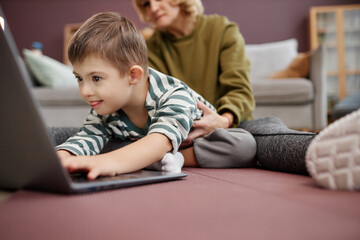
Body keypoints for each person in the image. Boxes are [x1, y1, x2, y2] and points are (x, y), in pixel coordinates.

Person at [56, 12, 256, 179]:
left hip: (194, 142)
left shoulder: (173, 95)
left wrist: (109, 162)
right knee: (98, 141)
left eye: (96, 78)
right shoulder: (105, 106)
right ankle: (149, 158)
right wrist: (61, 156)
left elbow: (161, 140)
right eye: (79, 79)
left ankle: (173, 158)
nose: (85, 91)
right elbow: (87, 136)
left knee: (243, 145)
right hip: (145, 144)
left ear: (133, 75)